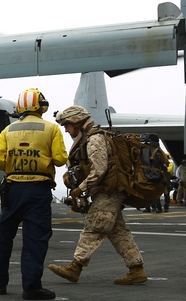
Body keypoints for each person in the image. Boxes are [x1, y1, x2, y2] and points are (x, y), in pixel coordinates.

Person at [48, 105, 148, 285]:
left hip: (107, 193)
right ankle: (136, 269)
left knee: (94, 226)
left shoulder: (94, 139)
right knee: (118, 232)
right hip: (109, 192)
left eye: (68, 125)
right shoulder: (91, 137)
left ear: (77, 122)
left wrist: (81, 188)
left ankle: (75, 267)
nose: (66, 129)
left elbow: (99, 170)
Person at [0, 89, 67, 300]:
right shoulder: (51, 129)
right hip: (38, 189)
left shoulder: (8, 130)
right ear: (41, 106)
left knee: (3, 236)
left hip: (13, 189)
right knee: (35, 239)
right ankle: (31, 287)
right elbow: (60, 159)